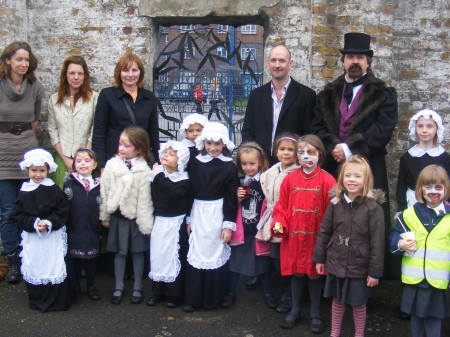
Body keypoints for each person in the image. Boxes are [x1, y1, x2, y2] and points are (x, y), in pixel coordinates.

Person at [310, 32, 398, 278]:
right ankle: (332, 275)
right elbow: (316, 128)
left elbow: (383, 130)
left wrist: (349, 148)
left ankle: (369, 282)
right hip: (333, 168)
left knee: (368, 224)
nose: (355, 61)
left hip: (369, 167)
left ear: (368, 62)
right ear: (343, 61)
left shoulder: (383, 93)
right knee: (334, 221)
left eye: (360, 57)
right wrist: (334, 147)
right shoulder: (327, 93)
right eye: (350, 57)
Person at [313, 155, 385, 337]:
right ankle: (335, 333)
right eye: (348, 176)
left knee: (358, 303)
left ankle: (359, 334)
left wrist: (374, 272)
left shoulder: (373, 208)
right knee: (337, 300)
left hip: (359, 264)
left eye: (357, 176)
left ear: (366, 179)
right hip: (336, 259)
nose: (352, 180)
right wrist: (319, 258)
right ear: (342, 179)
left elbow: (377, 242)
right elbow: (324, 232)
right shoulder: (335, 203)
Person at [272, 134, 336, 332]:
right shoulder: (290, 179)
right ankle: (295, 310)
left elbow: (332, 213)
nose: (305, 156)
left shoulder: (327, 180)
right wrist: (278, 225)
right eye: (301, 152)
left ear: (320, 155)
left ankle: (315, 313)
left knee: (314, 275)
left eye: (311, 152)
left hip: (316, 237)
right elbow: (281, 207)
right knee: (297, 273)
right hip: (293, 237)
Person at [0, 41, 45, 283]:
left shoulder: (33, 85)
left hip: (27, 151)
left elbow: (35, 119)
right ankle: (12, 258)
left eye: (26, 60)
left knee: (28, 206)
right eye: (18, 59)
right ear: (7, 60)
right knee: (7, 210)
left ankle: (30, 256)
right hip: (2, 153)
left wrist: (22, 136)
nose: (23, 64)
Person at [183, 122, 238, 312]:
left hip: (218, 212)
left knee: (215, 252)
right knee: (197, 251)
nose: (213, 148)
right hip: (198, 211)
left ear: (224, 144)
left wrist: (228, 225)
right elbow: (189, 191)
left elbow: (231, 198)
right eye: (209, 143)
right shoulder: (195, 162)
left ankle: (212, 299)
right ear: (203, 142)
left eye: (217, 144)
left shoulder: (230, 167)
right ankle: (193, 298)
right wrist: (189, 218)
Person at [390, 165, 450, 337]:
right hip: (414, 278)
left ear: (446, 189)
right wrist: (400, 244)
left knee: (434, 317)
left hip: (437, 279)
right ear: (420, 189)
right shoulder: (409, 214)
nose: (433, 191)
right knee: (415, 315)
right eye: (428, 187)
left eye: (438, 187)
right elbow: (394, 234)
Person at [99, 127, 154, 305]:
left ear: (138, 149)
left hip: (136, 218)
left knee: (138, 253)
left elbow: (145, 198)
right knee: (120, 254)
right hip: (118, 217)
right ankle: (118, 286)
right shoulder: (112, 165)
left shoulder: (143, 169)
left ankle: (138, 287)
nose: (121, 148)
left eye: (126, 145)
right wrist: (105, 215)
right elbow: (105, 191)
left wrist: (145, 224)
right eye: (120, 144)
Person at [16, 149, 75, 312]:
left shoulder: (54, 189)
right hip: (33, 236)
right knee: (35, 264)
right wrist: (34, 223)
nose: (37, 175)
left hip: (52, 235)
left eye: (42, 171)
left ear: (48, 170)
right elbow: (19, 214)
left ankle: (58, 301)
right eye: (34, 170)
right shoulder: (24, 190)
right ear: (28, 169)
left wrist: (49, 222)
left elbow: (63, 210)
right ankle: (38, 299)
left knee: (54, 264)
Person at [241, 45, 316, 163]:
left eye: (282, 61)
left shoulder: (306, 95)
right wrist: (252, 155)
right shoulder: (256, 95)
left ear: (290, 64)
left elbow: (308, 133)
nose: (277, 65)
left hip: (292, 164)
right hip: (261, 163)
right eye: (273, 60)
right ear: (268, 64)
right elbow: (248, 130)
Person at [223, 142, 275, 309]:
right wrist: (236, 197)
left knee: (263, 264)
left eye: (252, 164)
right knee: (235, 263)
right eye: (244, 164)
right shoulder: (238, 181)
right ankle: (231, 292)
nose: (248, 167)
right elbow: (230, 205)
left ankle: (268, 293)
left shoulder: (265, 181)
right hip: (242, 230)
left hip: (259, 229)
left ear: (261, 162)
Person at [92, 53, 159, 168]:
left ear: (140, 73)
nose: (130, 74)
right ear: (119, 73)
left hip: (141, 160)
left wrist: (156, 161)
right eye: (126, 70)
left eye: (134, 70)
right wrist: (101, 165)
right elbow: (99, 132)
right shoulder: (107, 95)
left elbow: (153, 133)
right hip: (114, 158)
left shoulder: (149, 98)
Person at [147, 140, 191, 309]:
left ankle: (173, 294)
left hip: (176, 222)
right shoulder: (157, 175)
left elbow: (173, 193)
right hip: (160, 221)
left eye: (172, 154)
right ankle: (157, 292)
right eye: (166, 152)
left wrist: (159, 175)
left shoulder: (183, 180)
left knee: (173, 256)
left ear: (180, 160)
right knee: (158, 256)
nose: (166, 155)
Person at [259, 132, 300, 314]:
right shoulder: (272, 171)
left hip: (290, 220)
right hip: (275, 219)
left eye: (291, 150)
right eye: (282, 149)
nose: (286, 153)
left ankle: (290, 294)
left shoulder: (298, 172)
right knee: (275, 257)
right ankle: (281, 287)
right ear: (276, 151)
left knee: (289, 257)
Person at [47, 56, 98, 188]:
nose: (76, 77)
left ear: (85, 76)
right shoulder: (54, 99)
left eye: (80, 73)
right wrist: (66, 159)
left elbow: (95, 127)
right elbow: (52, 130)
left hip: (87, 159)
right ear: (65, 75)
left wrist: (84, 157)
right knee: (62, 198)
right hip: (63, 158)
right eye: (72, 73)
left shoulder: (94, 98)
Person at [63, 148, 102, 301]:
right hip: (75, 226)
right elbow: (63, 205)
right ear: (74, 165)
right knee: (75, 260)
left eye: (87, 160)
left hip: (92, 227)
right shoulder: (69, 184)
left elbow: (103, 205)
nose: (83, 164)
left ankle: (91, 286)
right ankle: (75, 286)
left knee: (91, 260)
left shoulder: (99, 185)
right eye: (79, 161)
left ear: (94, 165)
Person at [397, 109, 450, 212]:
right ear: (415, 128)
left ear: (437, 128)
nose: (424, 130)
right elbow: (401, 186)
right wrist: (402, 208)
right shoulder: (408, 157)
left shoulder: (444, 158)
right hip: (413, 204)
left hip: (438, 204)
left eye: (429, 126)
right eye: (420, 126)